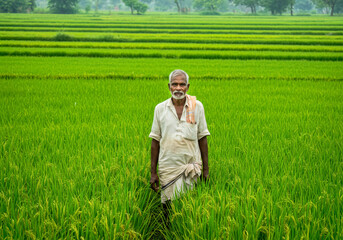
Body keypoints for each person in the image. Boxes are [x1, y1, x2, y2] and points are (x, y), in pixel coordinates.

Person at [149, 69, 210, 213]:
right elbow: (155, 141)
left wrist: (206, 169)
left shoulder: (197, 107)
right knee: (167, 206)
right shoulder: (160, 109)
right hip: (167, 167)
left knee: (189, 207)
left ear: (188, 87)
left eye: (182, 84)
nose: (178, 88)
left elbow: (202, 138)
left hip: (190, 168)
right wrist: (153, 172)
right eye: (174, 84)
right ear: (169, 86)